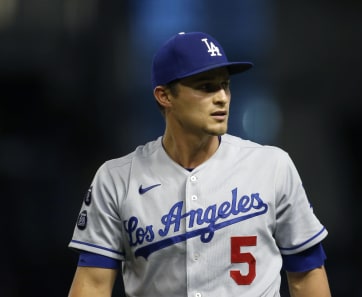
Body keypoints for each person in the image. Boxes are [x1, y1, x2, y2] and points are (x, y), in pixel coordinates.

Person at [67, 31, 331, 297]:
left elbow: (307, 272)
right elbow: (93, 283)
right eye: (206, 87)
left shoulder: (273, 166)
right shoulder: (116, 179)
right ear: (164, 96)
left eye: (225, 85)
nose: (222, 97)